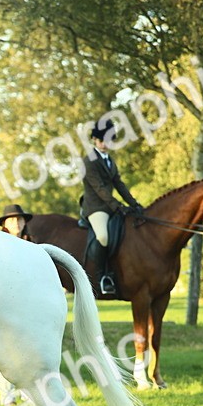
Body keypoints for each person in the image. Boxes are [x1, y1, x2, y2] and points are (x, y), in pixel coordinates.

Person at [82, 119, 143, 295]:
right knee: (103, 237)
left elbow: (119, 185)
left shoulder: (110, 160)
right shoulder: (89, 160)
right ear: (94, 139)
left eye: (108, 140)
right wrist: (117, 206)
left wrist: (134, 204)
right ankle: (102, 277)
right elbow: (99, 188)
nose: (105, 144)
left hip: (110, 206)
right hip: (96, 207)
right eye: (102, 140)